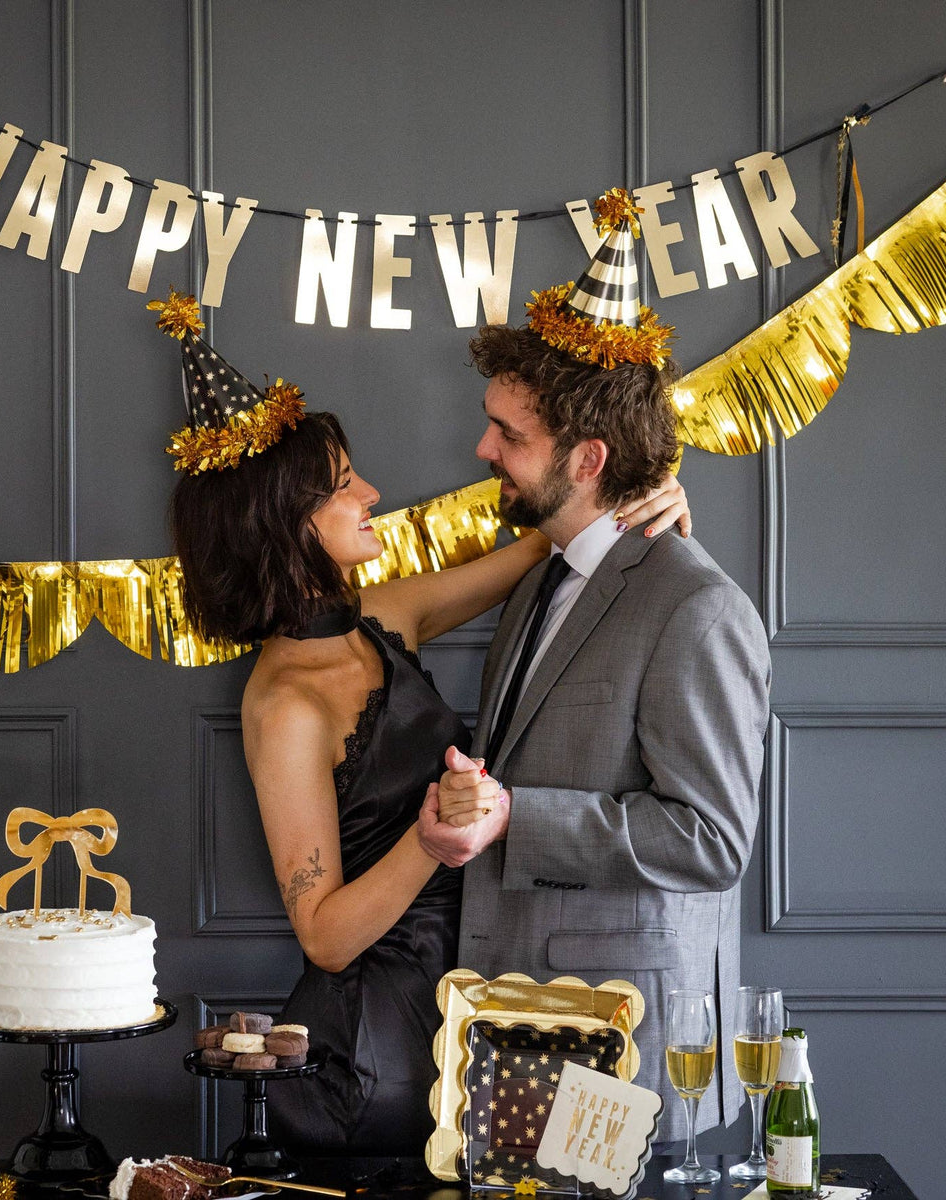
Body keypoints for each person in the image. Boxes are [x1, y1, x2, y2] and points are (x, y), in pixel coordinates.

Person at [149, 288, 690, 1154]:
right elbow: (323, 937)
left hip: (472, 1000)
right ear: (288, 528)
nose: (370, 491)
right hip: (377, 1045)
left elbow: (547, 542)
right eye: (339, 486)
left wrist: (647, 495)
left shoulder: (379, 617)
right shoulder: (284, 702)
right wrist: (429, 842)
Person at [415, 191, 772, 1144]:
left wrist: (514, 818)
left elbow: (710, 839)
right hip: (513, 1020)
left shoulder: (697, 608)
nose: (482, 448)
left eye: (511, 436)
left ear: (589, 459)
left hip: (630, 1040)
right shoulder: (542, 577)